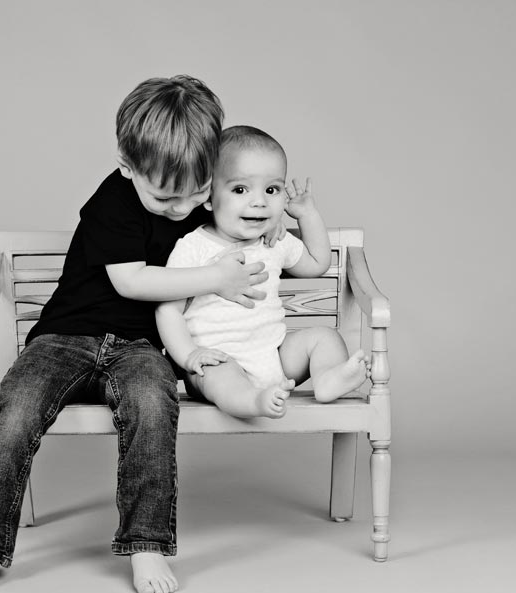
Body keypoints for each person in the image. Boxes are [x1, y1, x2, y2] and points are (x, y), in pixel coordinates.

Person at [0, 76, 284, 593]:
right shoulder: (113, 201)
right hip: (65, 336)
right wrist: (216, 279)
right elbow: (132, 281)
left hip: (142, 349)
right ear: (128, 167)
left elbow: (252, 204)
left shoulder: (199, 201)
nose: (180, 209)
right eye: (166, 197)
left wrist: (276, 223)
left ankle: (146, 542)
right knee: (16, 406)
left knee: (152, 404)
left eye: (196, 192)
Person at [156, 126, 369, 420]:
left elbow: (316, 262)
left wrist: (307, 215)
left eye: (272, 190)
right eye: (240, 190)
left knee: (324, 337)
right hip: (217, 361)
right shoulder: (193, 247)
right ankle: (253, 402)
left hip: (275, 357)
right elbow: (168, 310)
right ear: (207, 196)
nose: (259, 202)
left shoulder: (273, 240)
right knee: (223, 377)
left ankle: (329, 380)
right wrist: (189, 356)